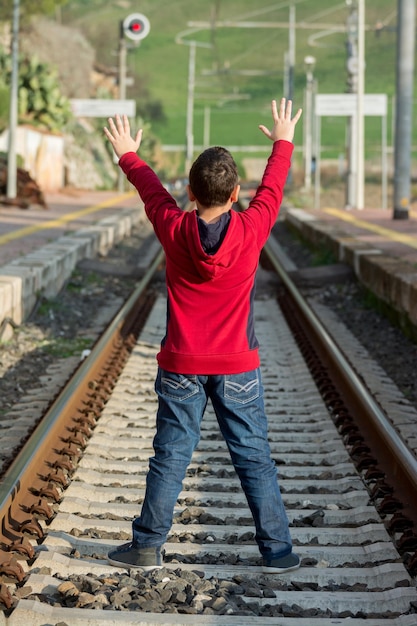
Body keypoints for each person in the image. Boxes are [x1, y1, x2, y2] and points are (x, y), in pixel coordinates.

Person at [104, 98, 302, 573]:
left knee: (170, 454)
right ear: (236, 194)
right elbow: (273, 188)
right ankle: (277, 551)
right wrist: (283, 140)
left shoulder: (173, 228)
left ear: (190, 194)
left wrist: (129, 154)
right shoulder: (252, 229)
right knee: (254, 456)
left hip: (181, 366)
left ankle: (148, 545)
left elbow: (152, 193)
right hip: (238, 366)